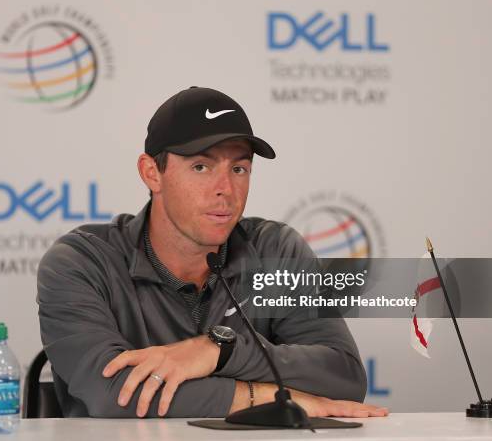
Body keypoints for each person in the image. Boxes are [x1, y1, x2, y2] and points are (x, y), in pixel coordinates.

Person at [37, 86, 389, 419]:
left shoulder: (275, 249)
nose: (225, 190)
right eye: (201, 167)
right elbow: (114, 394)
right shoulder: (81, 261)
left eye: (239, 168)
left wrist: (221, 351)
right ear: (151, 173)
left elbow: (345, 377)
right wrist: (269, 395)